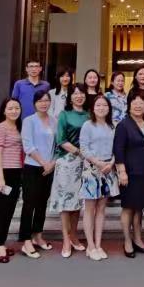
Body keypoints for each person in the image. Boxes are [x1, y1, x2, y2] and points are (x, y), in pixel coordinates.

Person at [47, 86, 90, 258]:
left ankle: (74, 235)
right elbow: (61, 140)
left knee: (78, 201)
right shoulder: (64, 115)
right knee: (66, 202)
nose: (79, 96)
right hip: (67, 161)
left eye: (82, 93)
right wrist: (79, 152)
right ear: (70, 97)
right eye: (75, 93)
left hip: (85, 163)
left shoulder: (89, 115)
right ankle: (66, 239)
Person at [114, 93, 144, 258]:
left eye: (141, 103)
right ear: (129, 106)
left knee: (139, 208)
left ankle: (138, 239)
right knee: (128, 207)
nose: (138, 106)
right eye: (135, 103)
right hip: (130, 173)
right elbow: (118, 150)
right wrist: (122, 172)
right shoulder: (123, 125)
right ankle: (127, 241)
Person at [79, 95, 119, 261]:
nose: (101, 108)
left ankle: (98, 244)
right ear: (93, 108)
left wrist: (112, 163)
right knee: (90, 209)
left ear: (109, 108)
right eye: (98, 105)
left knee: (102, 209)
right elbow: (83, 148)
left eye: (104, 105)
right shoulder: (88, 125)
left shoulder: (113, 126)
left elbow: (118, 147)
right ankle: (90, 246)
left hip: (108, 170)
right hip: (92, 170)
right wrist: (98, 163)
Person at [18, 90, 56, 258]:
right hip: (33, 167)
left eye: (46, 100)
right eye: (40, 101)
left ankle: (38, 235)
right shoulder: (29, 121)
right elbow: (28, 146)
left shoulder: (54, 120)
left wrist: (51, 164)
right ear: (34, 103)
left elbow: (58, 145)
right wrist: (43, 163)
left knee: (42, 203)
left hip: (49, 168)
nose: (43, 103)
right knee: (29, 204)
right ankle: (26, 240)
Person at [0, 98, 25, 263]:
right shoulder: (0, 127)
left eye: (17, 108)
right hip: (2, 173)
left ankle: (0, 243)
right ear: (4, 111)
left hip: (16, 172)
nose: (14, 111)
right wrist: (0, 178)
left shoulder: (19, 127)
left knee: (9, 211)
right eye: (10, 108)